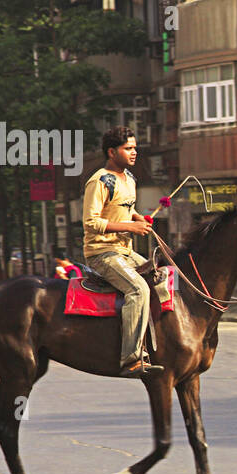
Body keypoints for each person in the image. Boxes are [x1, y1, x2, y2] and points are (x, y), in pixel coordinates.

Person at [83, 125, 163, 378]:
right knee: (138, 289)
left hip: (125, 251)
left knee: (162, 277)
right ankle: (131, 359)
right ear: (111, 151)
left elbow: (126, 210)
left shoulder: (130, 178)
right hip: (102, 253)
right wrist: (130, 226)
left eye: (135, 148)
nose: (134, 152)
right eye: (128, 148)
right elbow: (91, 222)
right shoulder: (99, 181)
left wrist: (139, 218)